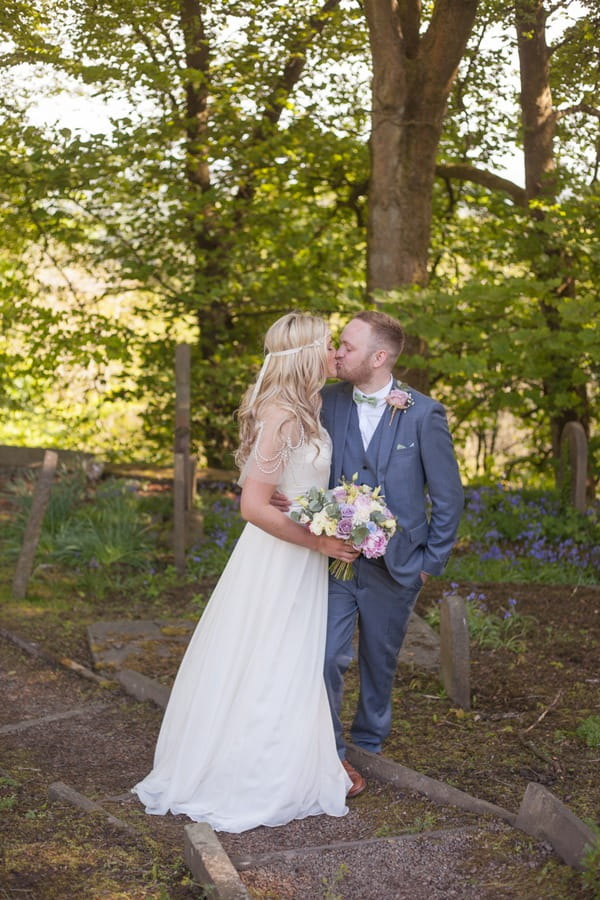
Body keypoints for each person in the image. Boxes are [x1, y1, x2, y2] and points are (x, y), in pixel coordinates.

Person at [132, 312, 359, 833]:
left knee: (290, 655)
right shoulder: (281, 414)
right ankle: (252, 773)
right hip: (278, 557)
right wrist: (320, 539)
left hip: (297, 549)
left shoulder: (308, 408)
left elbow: (289, 488)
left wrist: (324, 510)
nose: (333, 354)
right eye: (327, 345)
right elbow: (253, 506)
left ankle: (288, 759)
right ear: (305, 354)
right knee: (270, 652)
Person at [273, 310, 464, 798]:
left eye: (349, 346)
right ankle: (331, 750)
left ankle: (370, 741)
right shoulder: (326, 401)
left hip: (398, 566)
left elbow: (448, 498)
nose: (337, 352)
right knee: (327, 654)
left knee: (380, 658)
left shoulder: (424, 414)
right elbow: (301, 460)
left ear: (379, 358)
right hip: (335, 560)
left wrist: (427, 566)